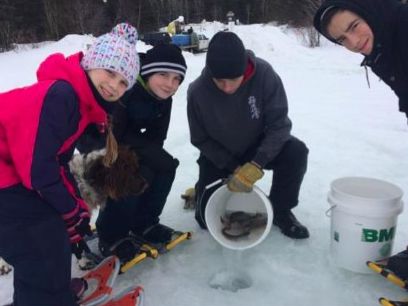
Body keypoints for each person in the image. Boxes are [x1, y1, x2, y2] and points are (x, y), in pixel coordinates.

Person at [0, 23, 139, 306]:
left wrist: (74, 210)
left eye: (124, 82)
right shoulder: (62, 97)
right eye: (110, 72)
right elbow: (38, 172)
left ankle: (51, 290)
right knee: (39, 241)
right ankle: (47, 296)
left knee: (51, 230)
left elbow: (57, 162)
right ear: (90, 64)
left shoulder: (80, 104)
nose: (114, 85)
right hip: (8, 174)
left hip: (10, 169)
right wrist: (70, 211)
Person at [313, 0, 408, 280]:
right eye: (342, 39)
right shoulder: (382, 44)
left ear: (369, 11)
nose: (353, 42)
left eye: (354, 27)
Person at [187, 31, 310, 239]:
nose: (227, 88)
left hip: (257, 146)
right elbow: (200, 138)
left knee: (296, 152)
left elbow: (279, 125)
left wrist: (257, 162)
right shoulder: (197, 91)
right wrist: (231, 166)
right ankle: (201, 189)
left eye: (233, 79)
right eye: (220, 81)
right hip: (220, 152)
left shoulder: (264, 74)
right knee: (204, 221)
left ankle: (281, 210)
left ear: (244, 69)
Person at [76, 43, 187, 262]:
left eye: (177, 79)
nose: (170, 84)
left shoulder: (164, 99)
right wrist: (143, 157)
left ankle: (144, 223)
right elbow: (112, 135)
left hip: (128, 142)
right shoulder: (126, 88)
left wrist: (152, 160)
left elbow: (157, 138)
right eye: (163, 75)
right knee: (129, 176)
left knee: (165, 167)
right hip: (98, 142)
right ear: (147, 72)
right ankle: (111, 236)